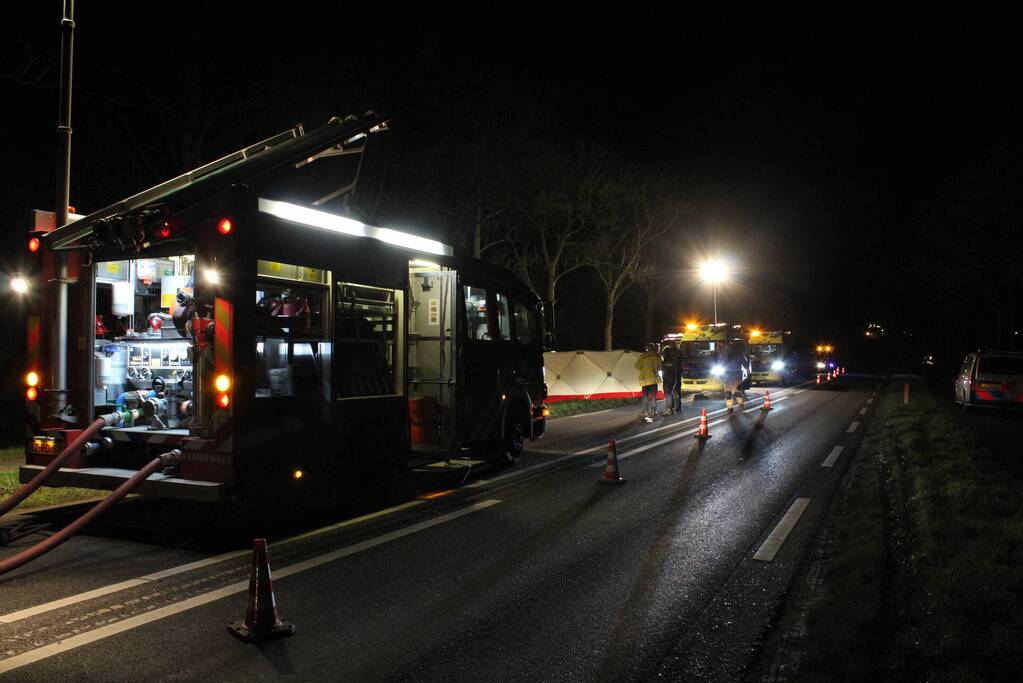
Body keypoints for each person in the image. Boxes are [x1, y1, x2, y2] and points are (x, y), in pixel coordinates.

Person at [635, 342, 663, 421]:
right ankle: (653, 411)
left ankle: (645, 411)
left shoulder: (643, 357)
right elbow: (661, 368)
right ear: (654, 348)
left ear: (647, 349)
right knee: (653, 396)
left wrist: (644, 368)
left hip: (645, 380)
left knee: (645, 396)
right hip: (654, 380)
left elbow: (636, 366)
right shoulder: (657, 357)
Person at [721, 343, 747, 413]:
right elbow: (721, 365)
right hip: (727, 377)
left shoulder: (738, 355)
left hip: (736, 376)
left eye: (729, 348)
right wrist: (720, 375)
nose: (728, 350)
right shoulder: (724, 357)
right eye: (727, 349)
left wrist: (747, 372)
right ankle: (730, 408)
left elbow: (745, 364)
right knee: (728, 393)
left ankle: (741, 404)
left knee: (737, 392)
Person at [660, 342, 680, 415]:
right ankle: (673, 408)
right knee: (671, 393)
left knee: (668, 394)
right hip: (673, 379)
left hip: (667, 380)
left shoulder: (664, 361)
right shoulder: (673, 360)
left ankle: (669, 409)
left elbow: (662, 370)